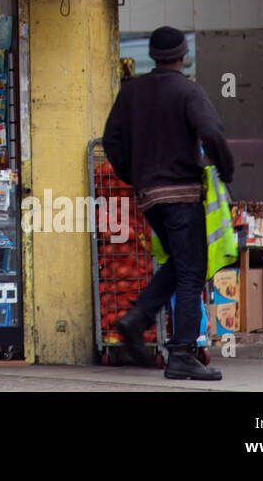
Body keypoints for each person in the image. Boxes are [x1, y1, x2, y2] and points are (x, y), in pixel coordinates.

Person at [102, 26, 234, 381]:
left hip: (149, 197)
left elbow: (111, 139)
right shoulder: (188, 91)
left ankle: (137, 318)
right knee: (192, 271)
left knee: (179, 263)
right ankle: (181, 354)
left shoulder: (132, 93)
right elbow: (212, 132)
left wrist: (134, 174)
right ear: (183, 54)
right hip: (182, 194)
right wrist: (226, 170)